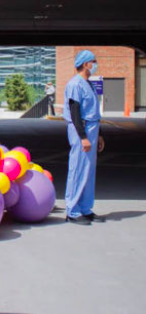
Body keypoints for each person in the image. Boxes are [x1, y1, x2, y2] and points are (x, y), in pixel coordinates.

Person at [63, 50, 105, 225]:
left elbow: (92, 110)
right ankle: (72, 211)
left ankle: (85, 208)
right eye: (93, 61)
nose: (95, 64)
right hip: (82, 129)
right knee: (78, 169)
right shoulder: (75, 84)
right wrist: (83, 137)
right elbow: (75, 112)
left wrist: (99, 135)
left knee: (89, 171)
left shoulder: (89, 84)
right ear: (86, 63)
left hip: (92, 129)